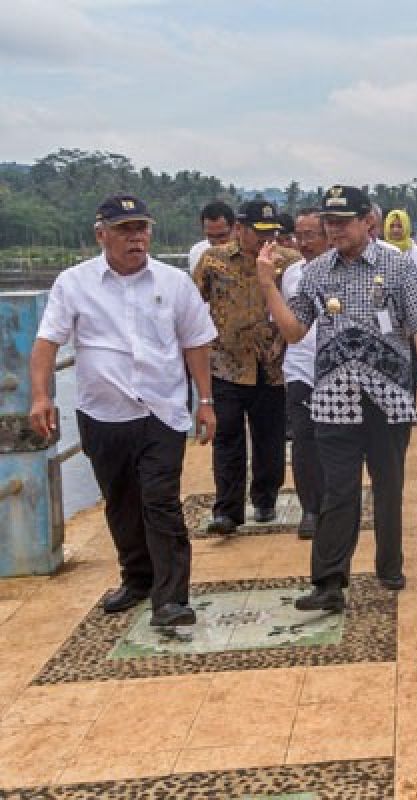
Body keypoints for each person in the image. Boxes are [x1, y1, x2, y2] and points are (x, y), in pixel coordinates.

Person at [29, 195, 218, 627]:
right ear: (101, 235)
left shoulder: (173, 283)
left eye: (141, 229)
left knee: (161, 502)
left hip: (162, 412)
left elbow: (196, 342)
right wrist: (41, 397)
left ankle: (171, 599)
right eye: (124, 230)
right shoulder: (73, 283)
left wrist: (205, 402)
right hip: (102, 415)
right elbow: (46, 344)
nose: (136, 237)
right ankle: (137, 580)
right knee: (121, 502)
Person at [255, 185, 417, 611]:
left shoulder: (397, 266)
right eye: (329, 222)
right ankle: (328, 582)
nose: (333, 229)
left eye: (342, 222)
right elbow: (295, 331)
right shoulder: (315, 271)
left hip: (388, 394)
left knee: (388, 483)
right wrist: (268, 286)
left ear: (367, 223)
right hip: (334, 396)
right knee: (337, 490)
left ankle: (389, 565)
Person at [193, 201, 300, 535]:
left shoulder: (288, 262)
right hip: (226, 361)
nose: (266, 240)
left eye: (272, 233)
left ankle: (265, 498)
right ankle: (227, 509)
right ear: (240, 229)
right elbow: (195, 304)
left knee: (269, 436)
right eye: (259, 233)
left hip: (270, 362)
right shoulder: (213, 260)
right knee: (227, 436)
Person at [280, 208, 328, 539]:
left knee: (336, 442)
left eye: (311, 235)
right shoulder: (291, 275)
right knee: (304, 439)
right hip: (300, 365)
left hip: (338, 369)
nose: (304, 242)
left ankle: (335, 504)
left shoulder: (346, 272)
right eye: (299, 235)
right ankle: (310, 508)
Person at [187, 201, 235, 273]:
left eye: (221, 236)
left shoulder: (248, 251)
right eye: (210, 236)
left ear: (234, 228)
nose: (217, 242)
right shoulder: (198, 252)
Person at [384, 208, 417, 279]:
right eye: (392, 226)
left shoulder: (415, 250)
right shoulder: (382, 249)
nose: (395, 230)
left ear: (406, 227)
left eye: (399, 226)